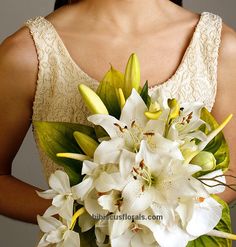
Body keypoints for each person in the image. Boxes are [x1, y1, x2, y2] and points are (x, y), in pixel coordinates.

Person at [0, 0, 235, 240]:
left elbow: (231, 173)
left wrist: (163, 217)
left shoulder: (219, 48)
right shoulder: (26, 53)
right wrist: (87, 214)